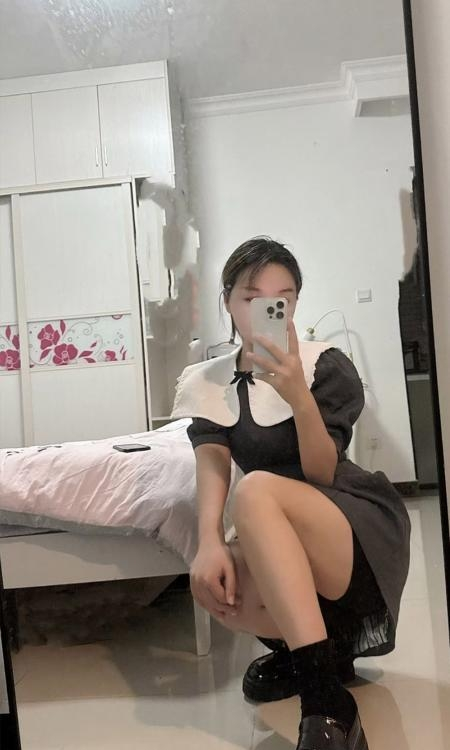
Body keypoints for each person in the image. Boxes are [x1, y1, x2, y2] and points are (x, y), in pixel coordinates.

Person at [171, 236, 411, 750]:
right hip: (277, 530)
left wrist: (297, 393)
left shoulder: (326, 365)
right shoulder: (208, 381)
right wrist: (208, 543)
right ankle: (319, 655)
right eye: (251, 296)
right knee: (219, 583)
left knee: (255, 490)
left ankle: (325, 702)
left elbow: (323, 472)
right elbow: (212, 466)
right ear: (228, 302)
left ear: (295, 303)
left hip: (348, 524)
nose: (267, 308)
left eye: (281, 298)